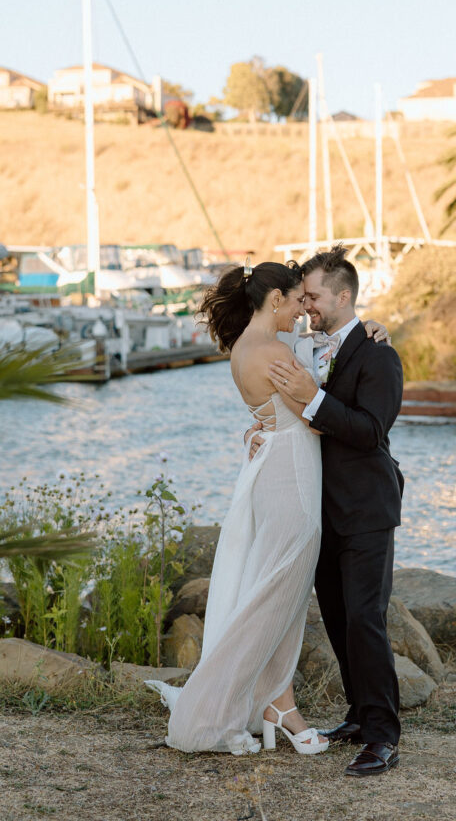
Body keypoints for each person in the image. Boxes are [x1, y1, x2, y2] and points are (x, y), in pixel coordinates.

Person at [146, 259, 329, 755]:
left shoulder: (244, 349)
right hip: (291, 475)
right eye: (296, 301)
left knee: (279, 595)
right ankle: (215, 710)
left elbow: (271, 412)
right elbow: (316, 420)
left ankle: (279, 705)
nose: (301, 311)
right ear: (276, 300)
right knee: (273, 595)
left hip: (275, 466)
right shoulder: (272, 351)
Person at [267, 245, 404, 777]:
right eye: (304, 297)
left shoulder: (379, 355)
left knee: (366, 620)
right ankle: (357, 715)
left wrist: (315, 399)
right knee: (341, 620)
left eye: (316, 296)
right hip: (319, 509)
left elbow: (372, 431)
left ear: (344, 296)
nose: (309, 305)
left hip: (367, 508)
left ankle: (384, 737)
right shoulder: (307, 347)